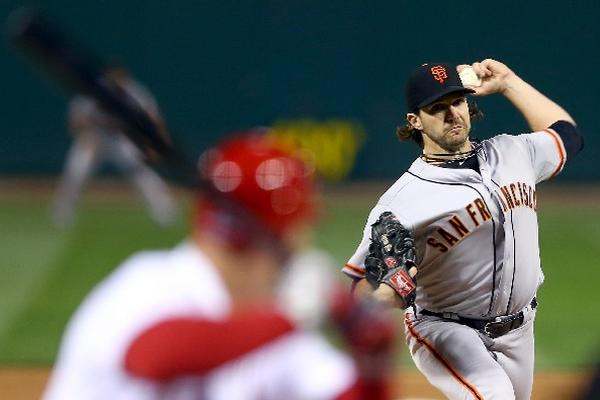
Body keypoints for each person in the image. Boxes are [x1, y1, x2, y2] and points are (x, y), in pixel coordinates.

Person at [43, 131, 397, 400]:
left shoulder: (266, 321)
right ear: (277, 239)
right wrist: (291, 316)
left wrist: (371, 371)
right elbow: (153, 356)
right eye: (298, 232)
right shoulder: (150, 283)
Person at [343, 59, 584, 399]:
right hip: (446, 328)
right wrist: (387, 291)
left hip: (520, 329)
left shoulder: (514, 152)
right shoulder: (401, 202)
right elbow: (359, 291)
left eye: (456, 102)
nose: (452, 113)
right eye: (437, 107)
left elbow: (567, 135)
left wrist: (509, 83)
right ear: (415, 122)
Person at [50, 65, 177, 227]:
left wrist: (157, 141)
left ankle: (163, 208)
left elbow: (153, 117)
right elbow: (75, 122)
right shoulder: (92, 93)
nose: (118, 84)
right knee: (76, 171)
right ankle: (62, 211)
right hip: (95, 137)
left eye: (121, 81)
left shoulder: (135, 92)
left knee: (141, 170)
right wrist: (87, 135)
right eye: (114, 81)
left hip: (122, 139)